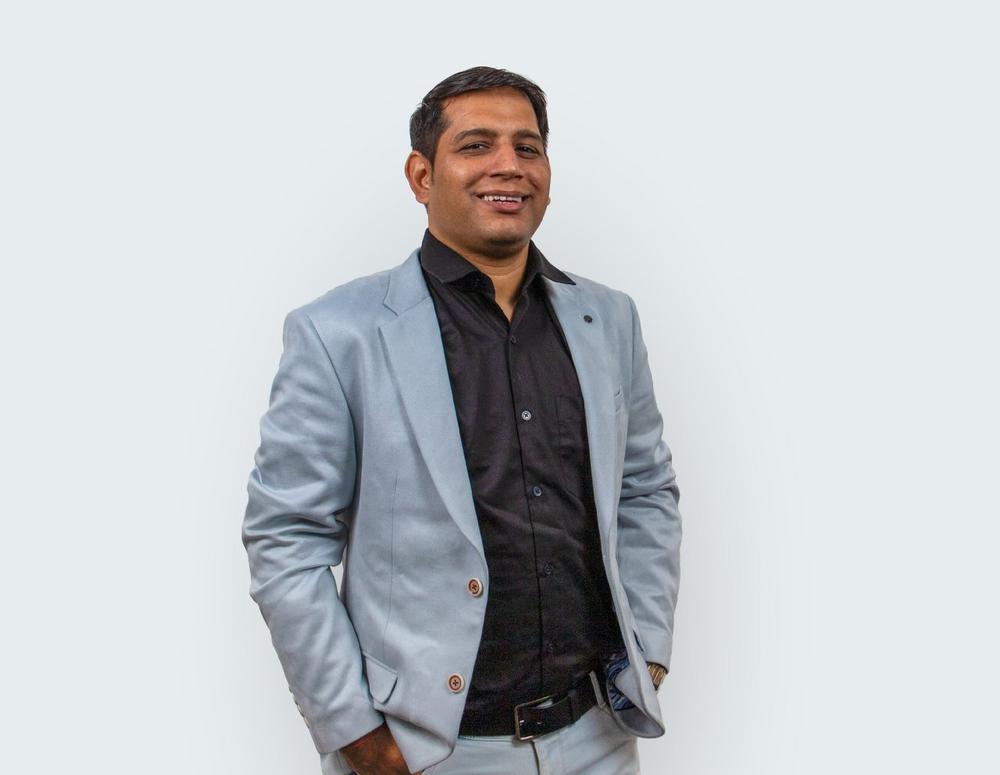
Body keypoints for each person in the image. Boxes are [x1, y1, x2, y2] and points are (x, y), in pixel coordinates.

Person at [242, 66, 683, 775]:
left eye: (527, 147)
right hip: (430, 750)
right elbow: (286, 538)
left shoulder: (608, 319)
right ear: (421, 176)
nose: (508, 164)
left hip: (598, 735)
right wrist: (355, 733)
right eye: (476, 145)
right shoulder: (338, 333)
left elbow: (645, 490)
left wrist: (649, 650)